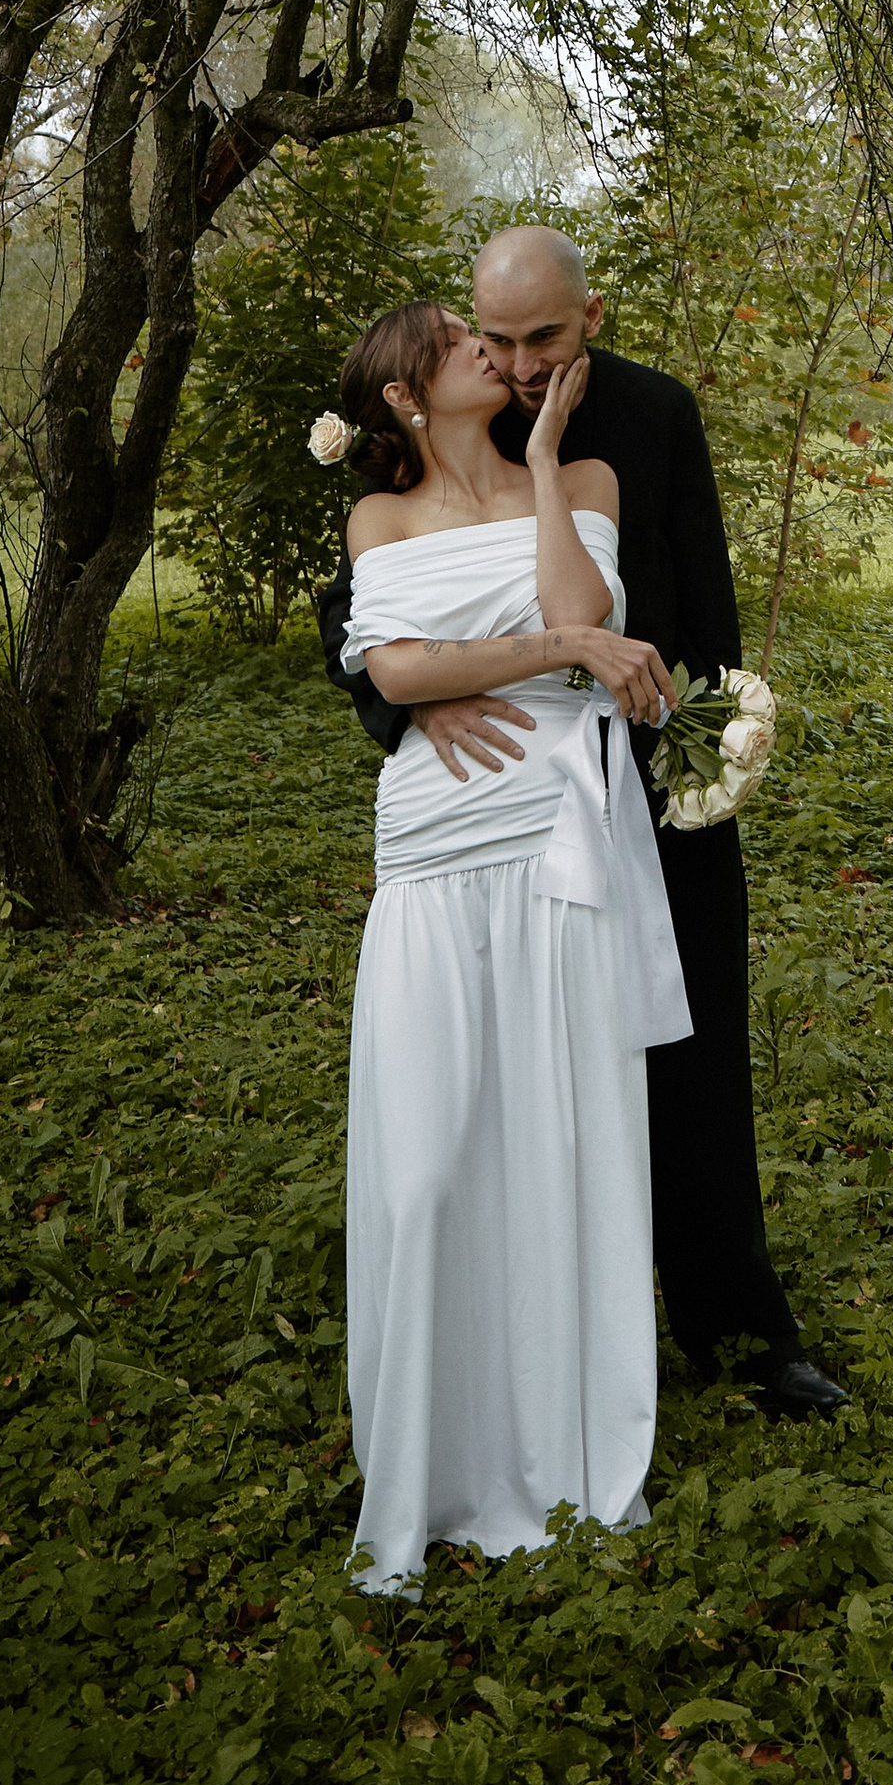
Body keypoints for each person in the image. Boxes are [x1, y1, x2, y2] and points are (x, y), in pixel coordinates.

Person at [318, 226, 847, 1422]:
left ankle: (740, 1331)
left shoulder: (655, 416)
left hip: (646, 777)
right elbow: (366, 605)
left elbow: (700, 599)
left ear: (590, 318)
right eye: (491, 339)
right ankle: (516, 1318)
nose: (513, 364)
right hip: (501, 797)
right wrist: (410, 701)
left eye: (540, 339)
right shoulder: (461, 411)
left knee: (695, 1053)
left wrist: (700, 753)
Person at [333, 301, 689, 1591]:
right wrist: (553, 653)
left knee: (561, 1133)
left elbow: (579, 603)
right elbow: (401, 675)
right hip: (430, 846)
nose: (484, 347)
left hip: (555, 832)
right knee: (428, 1161)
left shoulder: (578, 472)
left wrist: (539, 466)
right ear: (403, 399)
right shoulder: (376, 520)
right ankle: (432, 1455)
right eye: (451, 339)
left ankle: (564, 1442)